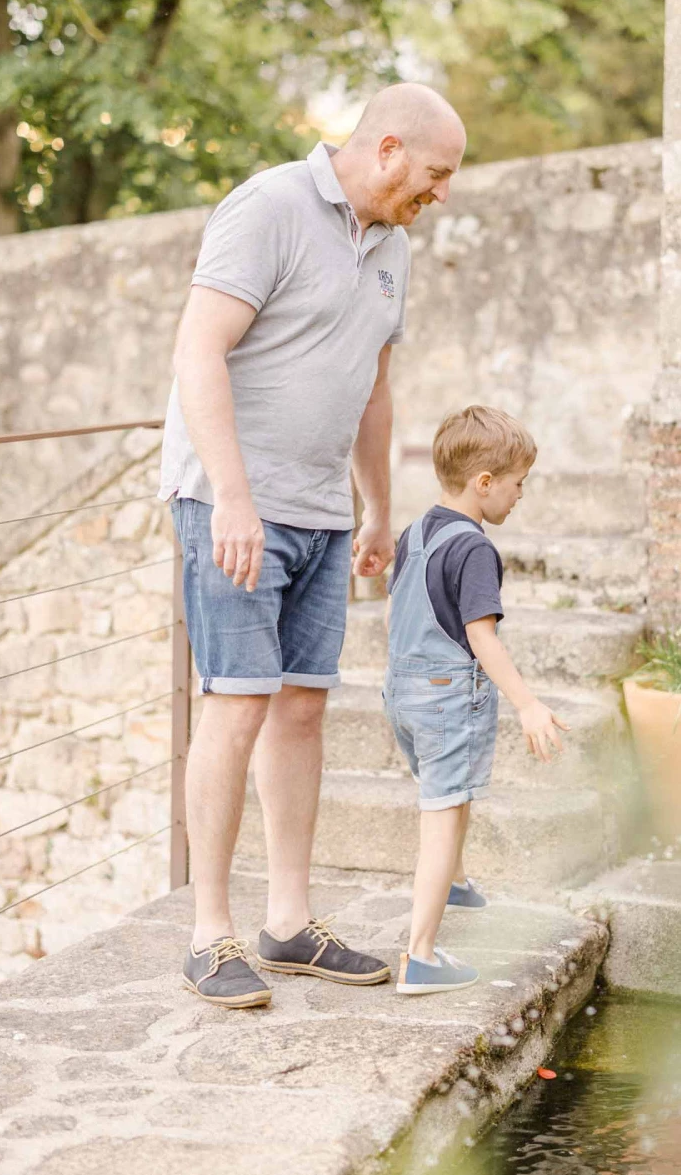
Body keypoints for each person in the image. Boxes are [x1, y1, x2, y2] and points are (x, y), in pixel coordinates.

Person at [159, 83, 466, 1008]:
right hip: (234, 506)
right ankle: (209, 934)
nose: (441, 194)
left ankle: (287, 924)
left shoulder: (393, 247)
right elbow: (197, 350)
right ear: (386, 149)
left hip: (324, 515)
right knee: (236, 705)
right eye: (435, 174)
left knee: (301, 711)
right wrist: (235, 499)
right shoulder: (270, 208)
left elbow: (372, 387)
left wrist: (376, 506)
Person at [383, 406, 569, 996]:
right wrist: (528, 705)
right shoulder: (475, 550)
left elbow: (394, 613)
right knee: (443, 812)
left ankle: (457, 882)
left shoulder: (413, 534)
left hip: (402, 694)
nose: (520, 496)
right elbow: (481, 636)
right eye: (517, 484)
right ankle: (421, 956)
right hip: (444, 698)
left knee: (447, 792)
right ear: (483, 483)